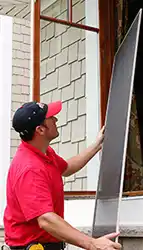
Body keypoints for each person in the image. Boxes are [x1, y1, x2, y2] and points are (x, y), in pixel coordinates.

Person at [3, 101, 121, 250]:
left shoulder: (45, 153)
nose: (56, 120)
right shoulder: (29, 168)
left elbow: (68, 167)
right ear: (40, 130)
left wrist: (97, 144)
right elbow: (46, 219)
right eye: (51, 117)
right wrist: (92, 243)